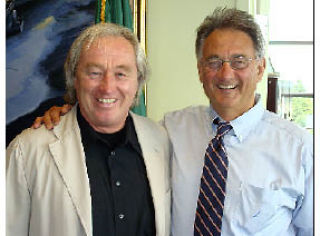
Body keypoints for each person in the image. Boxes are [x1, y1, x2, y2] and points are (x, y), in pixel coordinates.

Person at [31, 8, 313, 235]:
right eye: (214, 61)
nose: (226, 74)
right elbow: (111, 119)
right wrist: (69, 114)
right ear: (201, 70)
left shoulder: (300, 149)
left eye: (239, 61)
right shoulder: (170, 130)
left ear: (260, 67)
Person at [6, 22, 171, 236]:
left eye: (121, 74)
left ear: (138, 81)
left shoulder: (162, 140)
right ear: (74, 78)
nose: (108, 87)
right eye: (94, 72)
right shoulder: (26, 150)